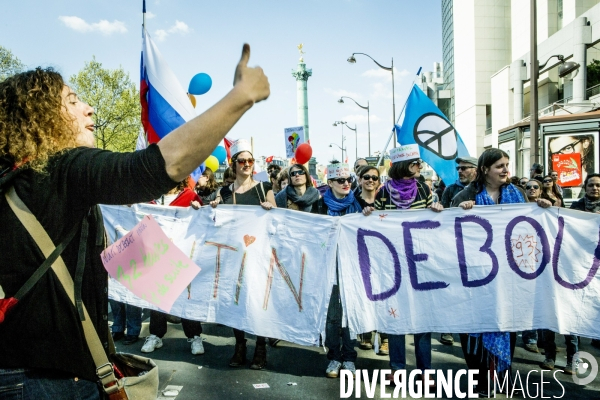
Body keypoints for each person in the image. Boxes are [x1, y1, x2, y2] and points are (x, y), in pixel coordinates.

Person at [0, 45, 269, 398]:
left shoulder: (15, 182)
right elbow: (157, 169)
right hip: (51, 384)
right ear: (41, 116)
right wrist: (240, 98)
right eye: (72, 101)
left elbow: (82, 261)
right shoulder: (63, 169)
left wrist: (179, 254)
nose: (89, 108)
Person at [452, 148, 551, 395]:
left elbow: (528, 231)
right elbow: (448, 233)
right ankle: (481, 381)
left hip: (508, 278)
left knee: (506, 324)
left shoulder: (516, 195)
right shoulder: (465, 195)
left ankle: (501, 378)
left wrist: (541, 208)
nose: (506, 170)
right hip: (477, 280)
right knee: (475, 330)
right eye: (500, 166)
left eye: (507, 165)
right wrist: (458, 212)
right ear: (485, 169)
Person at [374, 144, 443, 387]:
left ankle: (425, 370)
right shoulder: (383, 192)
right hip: (393, 263)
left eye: (419, 163)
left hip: (420, 261)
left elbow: (431, 218)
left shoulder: (424, 188)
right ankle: (397, 368)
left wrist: (436, 209)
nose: (419, 167)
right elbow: (377, 224)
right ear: (404, 166)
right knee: (396, 315)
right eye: (415, 163)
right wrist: (370, 212)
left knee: (423, 318)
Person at [210, 139, 276, 370]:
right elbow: (214, 216)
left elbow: (276, 216)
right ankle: (240, 345)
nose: (247, 164)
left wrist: (270, 208)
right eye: (242, 161)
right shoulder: (224, 192)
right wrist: (208, 207)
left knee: (257, 300)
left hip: (258, 254)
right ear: (233, 164)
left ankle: (260, 347)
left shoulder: (263, 188)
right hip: (233, 255)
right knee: (235, 299)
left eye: (250, 161)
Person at [312, 163, 373, 378]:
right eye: (341, 180)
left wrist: (368, 215)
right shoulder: (318, 207)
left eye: (349, 180)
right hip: (328, 267)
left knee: (350, 313)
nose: (346, 183)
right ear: (330, 183)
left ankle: (349, 357)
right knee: (332, 315)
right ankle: (334, 358)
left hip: (352, 267)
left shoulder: (359, 205)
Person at [142, 178, 205, 355]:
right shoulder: (151, 198)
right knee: (157, 296)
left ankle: (195, 336)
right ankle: (155, 334)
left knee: (186, 296)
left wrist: (199, 209)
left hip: (182, 254)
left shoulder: (190, 196)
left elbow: (205, 222)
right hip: (158, 254)